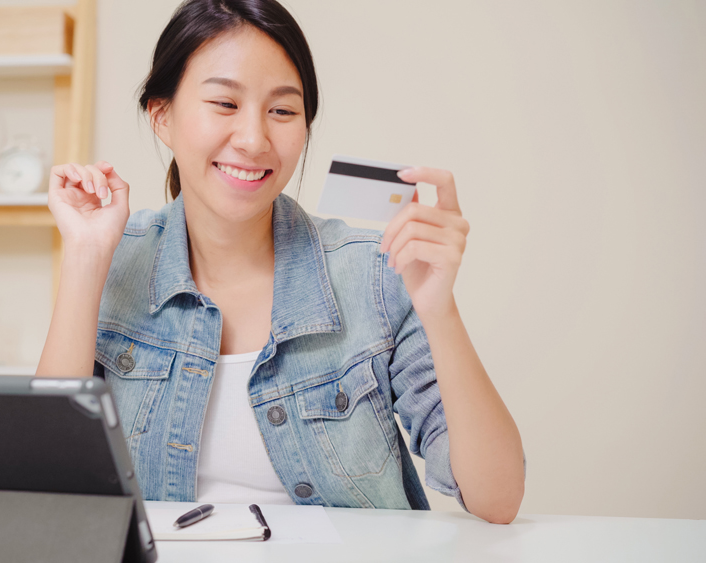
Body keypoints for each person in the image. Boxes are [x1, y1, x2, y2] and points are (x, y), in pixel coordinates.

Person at [36, 0, 525, 524]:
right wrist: (86, 257)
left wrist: (439, 308)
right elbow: (44, 478)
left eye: (283, 111)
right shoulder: (115, 258)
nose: (253, 140)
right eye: (224, 103)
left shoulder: (373, 273)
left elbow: (496, 499)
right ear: (162, 115)